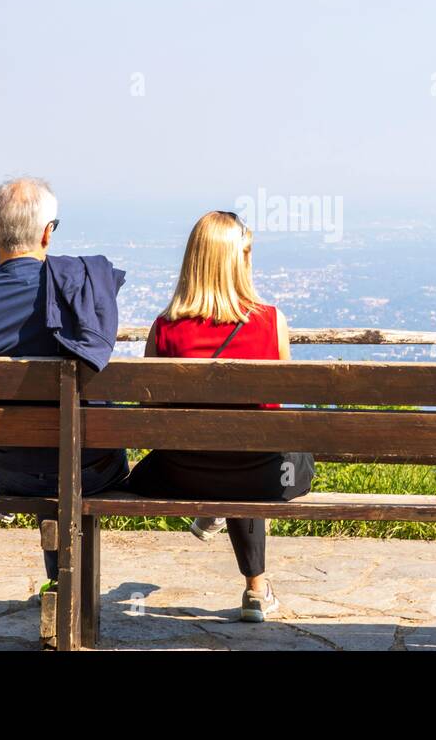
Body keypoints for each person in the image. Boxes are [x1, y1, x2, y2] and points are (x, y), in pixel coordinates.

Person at [0, 177, 129, 586]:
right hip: (96, 469)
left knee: (43, 454)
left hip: (17, 472)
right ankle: (70, 591)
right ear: (47, 233)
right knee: (68, 453)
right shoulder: (82, 295)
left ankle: (63, 588)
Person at [127, 210, 313, 622]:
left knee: (226, 453)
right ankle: (256, 592)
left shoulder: (164, 328)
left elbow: (148, 415)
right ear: (240, 259)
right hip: (259, 475)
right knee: (271, 454)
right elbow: (276, 411)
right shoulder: (271, 322)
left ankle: (211, 508)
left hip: (181, 474)